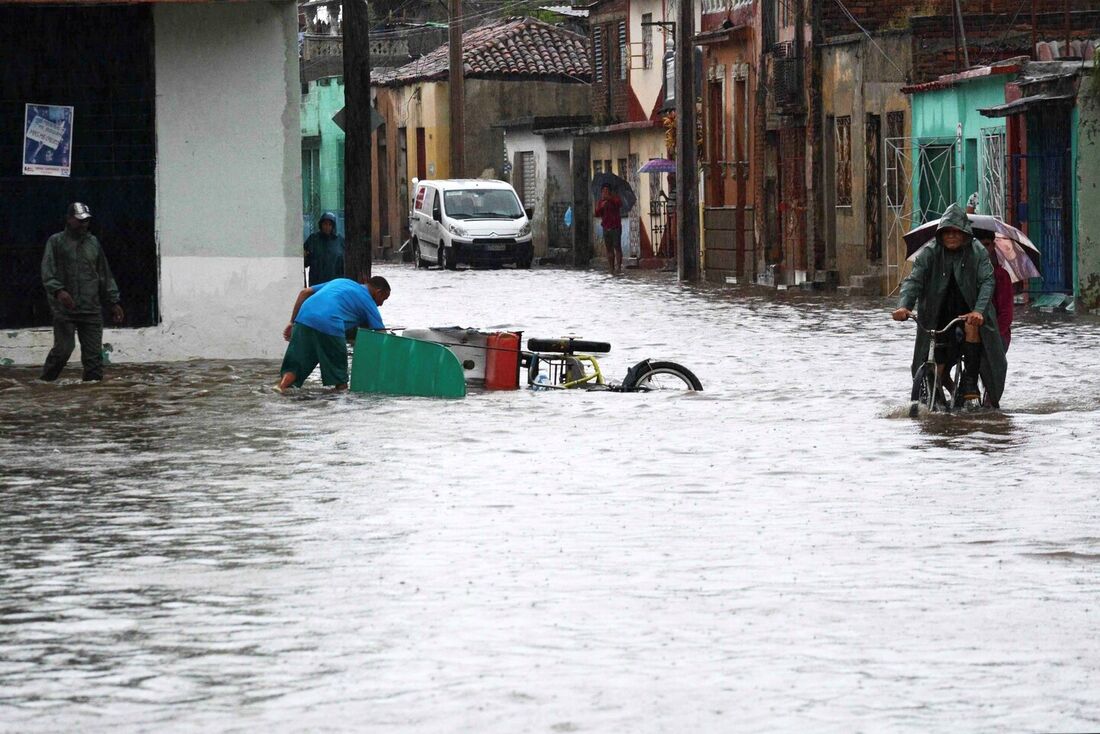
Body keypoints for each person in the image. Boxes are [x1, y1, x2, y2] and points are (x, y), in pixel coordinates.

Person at [892, 203, 1007, 407]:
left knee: (974, 329)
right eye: (947, 233)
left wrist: (979, 311)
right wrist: (904, 306)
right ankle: (937, 398)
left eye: (956, 232)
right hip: (938, 313)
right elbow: (914, 280)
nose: (951, 236)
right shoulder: (929, 253)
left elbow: (987, 282)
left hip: (970, 312)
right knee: (935, 356)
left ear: (964, 234)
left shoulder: (977, 252)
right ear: (940, 235)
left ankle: (970, 380)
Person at [40, 202, 124, 382]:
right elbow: (47, 273)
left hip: (91, 309)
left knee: (93, 359)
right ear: (69, 219)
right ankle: (44, 384)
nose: (84, 224)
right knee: (63, 351)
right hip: (65, 310)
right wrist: (59, 292)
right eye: (80, 220)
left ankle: (91, 397)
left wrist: (114, 301)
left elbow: (104, 274)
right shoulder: (56, 242)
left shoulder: (93, 243)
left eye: (86, 220)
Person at [274, 275, 391, 393]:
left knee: (295, 367)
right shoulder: (368, 301)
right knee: (340, 379)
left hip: (303, 319)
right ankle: (339, 406)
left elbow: (305, 292)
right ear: (378, 292)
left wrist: (291, 322)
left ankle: (281, 388)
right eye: (383, 299)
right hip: (330, 324)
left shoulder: (341, 282)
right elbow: (382, 335)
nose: (381, 304)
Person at [978, 233, 1014, 351]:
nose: (982, 249)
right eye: (977, 245)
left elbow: (1006, 314)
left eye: (986, 245)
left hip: (997, 334)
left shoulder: (1000, 275)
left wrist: (992, 335)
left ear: (993, 246)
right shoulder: (962, 272)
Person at [303, 212, 345, 286]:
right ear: (321, 225)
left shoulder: (339, 240)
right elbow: (305, 260)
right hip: (317, 281)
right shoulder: (313, 239)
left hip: (334, 281)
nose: (327, 227)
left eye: (330, 224)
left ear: (333, 226)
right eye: (325, 224)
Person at [595, 184, 623, 275]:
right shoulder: (601, 202)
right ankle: (611, 268)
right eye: (603, 191)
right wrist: (601, 207)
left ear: (610, 192)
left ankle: (619, 266)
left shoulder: (615, 199)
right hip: (606, 227)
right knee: (609, 248)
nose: (605, 192)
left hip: (615, 227)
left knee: (617, 246)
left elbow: (619, 204)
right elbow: (597, 214)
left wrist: (610, 199)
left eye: (606, 190)